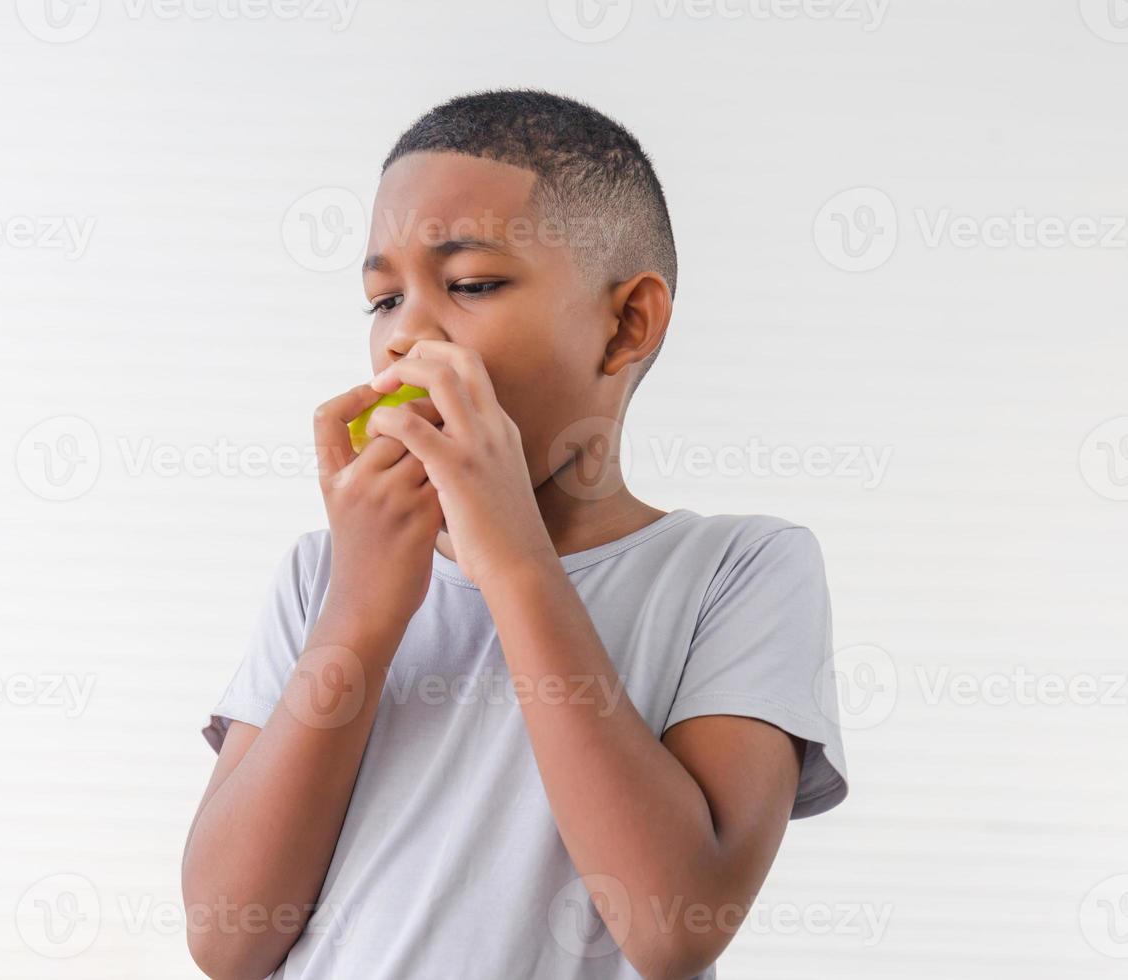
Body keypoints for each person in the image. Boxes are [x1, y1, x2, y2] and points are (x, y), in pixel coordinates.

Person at [182, 88, 848, 980]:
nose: (404, 337)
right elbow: (228, 940)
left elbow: (673, 928)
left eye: (470, 285)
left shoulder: (740, 570)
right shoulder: (321, 575)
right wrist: (359, 616)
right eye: (382, 301)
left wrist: (511, 557)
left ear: (627, 324)